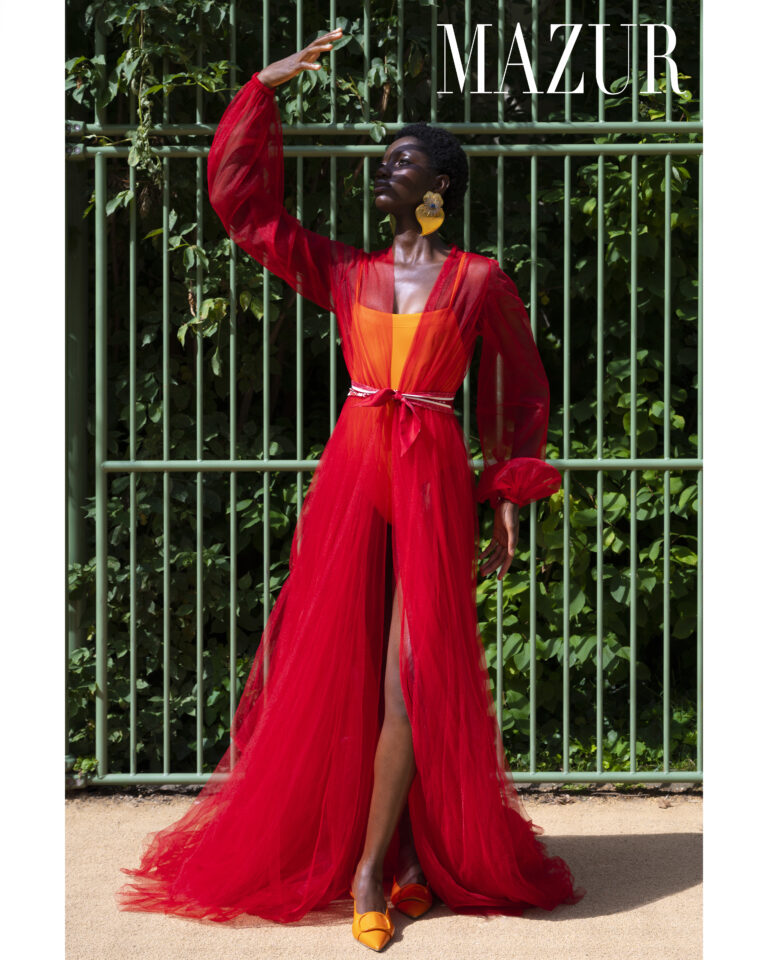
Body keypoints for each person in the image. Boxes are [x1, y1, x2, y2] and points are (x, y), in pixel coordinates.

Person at [116, 26, 582, 952]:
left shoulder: (479, 281)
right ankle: (394, 855)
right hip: (356, 471)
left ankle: (373, 870)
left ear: (438, 185)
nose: (383, 170)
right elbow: (245, 207)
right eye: (383, 159)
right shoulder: (346, 271)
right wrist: (263, 87)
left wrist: (503, 497)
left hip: (433, 475)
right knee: (344, 668)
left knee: (412, 672)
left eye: (401, 161)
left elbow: (518, 394)